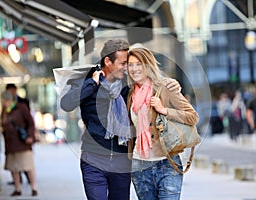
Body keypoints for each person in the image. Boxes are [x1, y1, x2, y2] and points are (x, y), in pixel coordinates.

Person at [60, 39, 180, 200]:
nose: (127, 68)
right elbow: (66, 104)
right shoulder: (87, 81)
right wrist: (92, 83)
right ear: (108, 61)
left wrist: (172, 84)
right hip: (93, 159)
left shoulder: (129, 85)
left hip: (122, 161)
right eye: (123, 63)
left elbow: (152, 83)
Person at [126, 47, 199, 200]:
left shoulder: (166, 87)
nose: (134, 69)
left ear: (148, 65)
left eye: (139, 64)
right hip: (140, 166)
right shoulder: (130, 94)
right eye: (130, 64)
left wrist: (164, 110)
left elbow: (192, 116)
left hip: (168, 164)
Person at [0, 90, 38, 196]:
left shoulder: (21, 107)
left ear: (9, 100)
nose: (3, 104)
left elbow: (31, 123)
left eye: (4, 101)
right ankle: (18, 188)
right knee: (13, 168)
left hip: (23, 143)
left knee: (28, 166)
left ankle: (34, 188)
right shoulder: (5, 111)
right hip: (10, 144)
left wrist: (30, 136)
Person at [5, 83, 31, 185]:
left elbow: (29, 120)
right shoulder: (6, 103)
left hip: (23, 134)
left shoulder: (23, 102)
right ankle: (17, 180)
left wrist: (29, 135)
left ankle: (28, 177)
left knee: (25, 158)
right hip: (11, 136)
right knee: (14, 159)